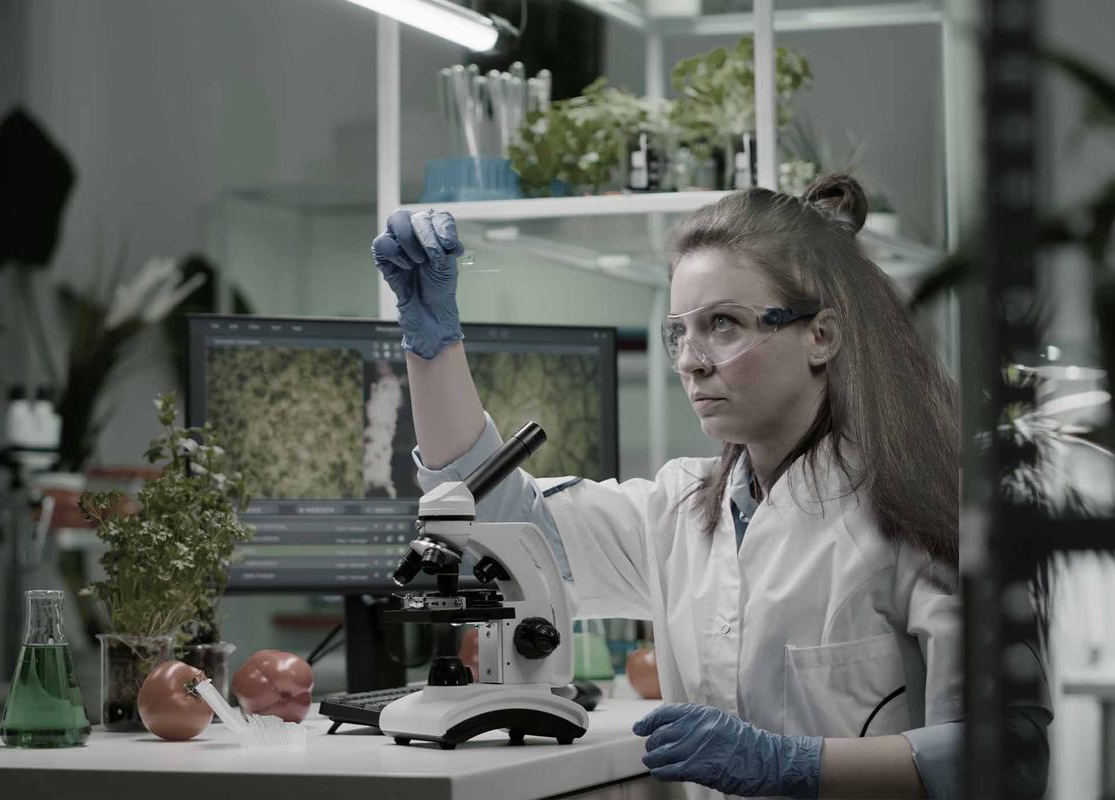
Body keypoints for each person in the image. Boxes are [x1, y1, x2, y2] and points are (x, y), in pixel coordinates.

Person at [371, 175, 1050, 799]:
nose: (692, 362)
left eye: (722, 325)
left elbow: (1011, 753)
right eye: (680, 333)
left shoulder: (928, 506)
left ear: (821, 335)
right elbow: (491, 519)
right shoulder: (678, 509)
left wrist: (795, 767)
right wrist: (433, 340)